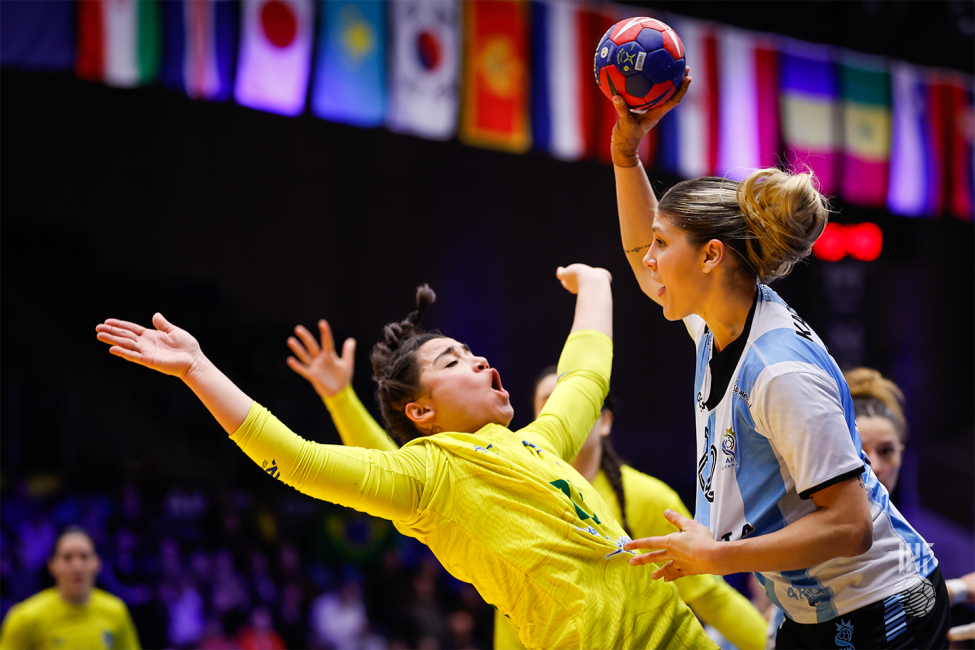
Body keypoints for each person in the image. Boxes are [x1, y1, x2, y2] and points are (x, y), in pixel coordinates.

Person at [95, 264, 716, 650]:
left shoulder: (538, 442)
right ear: (421, 412)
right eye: (451, 361)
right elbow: (297, 459)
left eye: (471, 350)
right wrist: (199, 369)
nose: (475, 359)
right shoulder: (427, 476)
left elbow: (585, 374)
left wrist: (597, 284)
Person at [608, 73, 951, 650]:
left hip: (886, 606)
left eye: (663, 245)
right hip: (814, 610)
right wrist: (624, 155)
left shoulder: (779, 371)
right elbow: (641, 253)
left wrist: (718, 556)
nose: (650, 261)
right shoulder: (719, 319)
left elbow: (850, 526)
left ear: (712, 256)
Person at [281, 334, 767, 649]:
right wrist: (340, 399)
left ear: (600, 419)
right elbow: (393, 479)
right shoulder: (498, 470)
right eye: (543, 405)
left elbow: (712, 597)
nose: (558, 411)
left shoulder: (641, 496)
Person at [0, 527, 142, 650]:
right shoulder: (25, 617)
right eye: (67, 558)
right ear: (51, 565)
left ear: (97, 563)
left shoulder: (116, 611)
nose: (77, 567)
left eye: (84, 557)